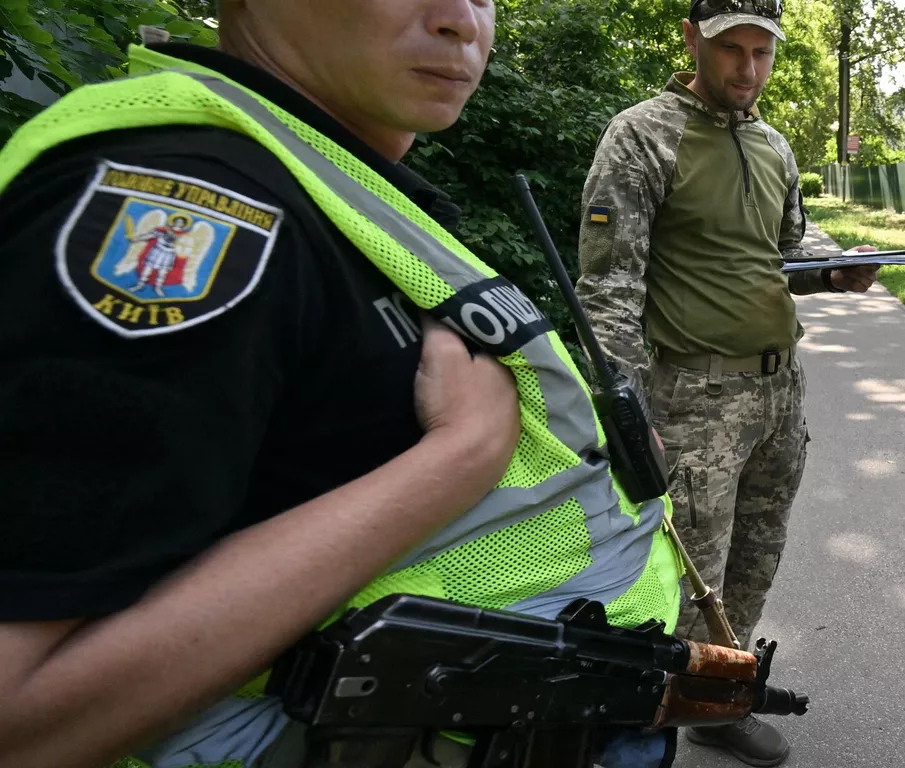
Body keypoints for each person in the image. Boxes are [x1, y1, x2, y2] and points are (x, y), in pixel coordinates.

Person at [0, 1, 686, 766]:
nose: (463, 21)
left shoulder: (335, 181)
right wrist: (460, 456)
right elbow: (17, 712)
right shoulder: (191, 207)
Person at [573, 1, 875, 764]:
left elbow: (783, 256)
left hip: (780, 395)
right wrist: (626, 410)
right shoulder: (644, 135)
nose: (748, 68)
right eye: (731, 50)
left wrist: (834, 271)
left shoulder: (774, 145)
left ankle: (715, 703)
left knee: (751, 565)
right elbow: (610, 290)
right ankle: (635, 742)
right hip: (692, 398)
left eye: (761, 52)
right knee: (678, 587)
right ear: (691, 41)